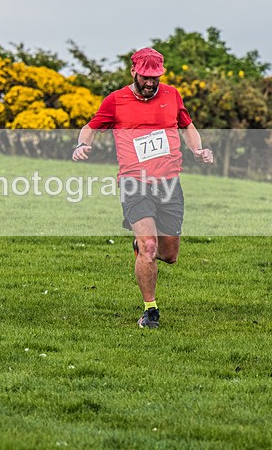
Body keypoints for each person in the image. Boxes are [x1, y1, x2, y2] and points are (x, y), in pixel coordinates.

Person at [72, 47, 213, 329]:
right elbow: (90, 127)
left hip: (169, 182)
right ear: (133, 72)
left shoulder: (172, 95)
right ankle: (150, 311)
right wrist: (82, 144)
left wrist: (198, 150)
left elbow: (188, 127)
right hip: (134, 182)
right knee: (150, 247)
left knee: (169, 254)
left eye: (155, 77)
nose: (150, 83)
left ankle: (141, 244)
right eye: (145, 77)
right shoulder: (116, 100)